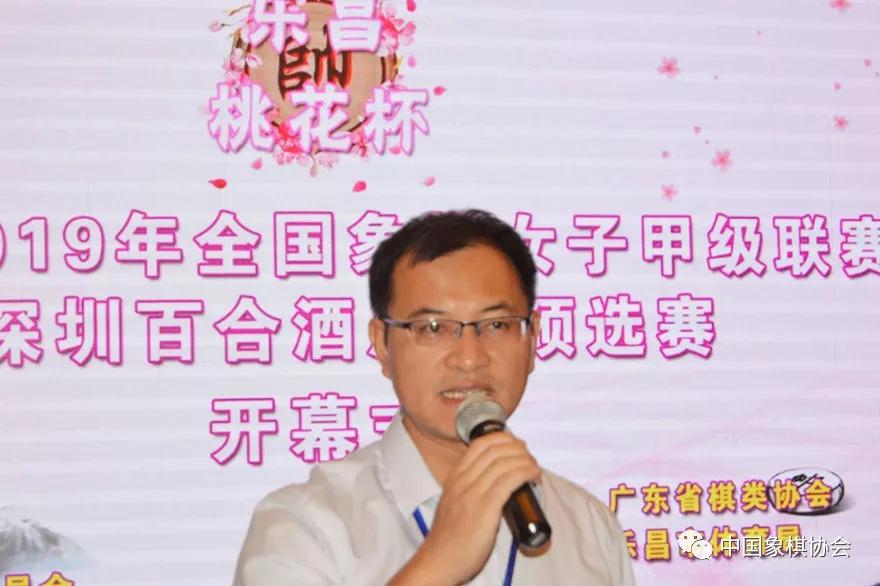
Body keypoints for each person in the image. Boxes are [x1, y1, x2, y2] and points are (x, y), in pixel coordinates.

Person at [234, 209, 636, 585]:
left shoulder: (588, 526)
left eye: (497, 324)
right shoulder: (306, 526)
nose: (469, 358)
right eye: (432, 328)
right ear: (382, 344)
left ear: (532, 339)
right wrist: (441, 560)